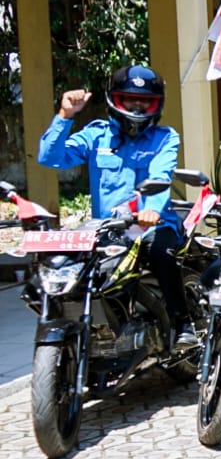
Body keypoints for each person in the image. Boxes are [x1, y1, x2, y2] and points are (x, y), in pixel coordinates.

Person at [38, 65, 194, 347]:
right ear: (114, 100)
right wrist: (65, 115)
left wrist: (152, 211)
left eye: (145, 100)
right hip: (109, 229)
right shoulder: (95, 135)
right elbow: (51, 158)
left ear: (156, 104)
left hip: (152, 225)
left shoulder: (165, 137)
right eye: (129, 98)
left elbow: (161, 175)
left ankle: (182, 323)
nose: (137, 105)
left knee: (163, 253)